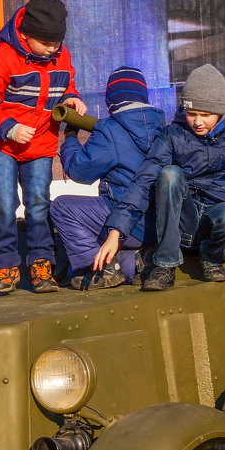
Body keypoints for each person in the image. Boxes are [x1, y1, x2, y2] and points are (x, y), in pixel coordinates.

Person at [104, 63, 225, 291]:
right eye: (191, 113)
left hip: (216, 210)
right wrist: (116, 231)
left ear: (221, 112)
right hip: (185, 216)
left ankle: (211, 256)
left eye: (205, 115)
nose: (198, 122)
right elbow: (143, 182)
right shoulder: (171, 135)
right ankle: (165, 265)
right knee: (169, 174)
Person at [0, 0, 87, 294]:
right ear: (26, 34)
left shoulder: (62, 54)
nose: (53, 49)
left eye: (57, 43)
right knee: (4, 204)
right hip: (2, 146)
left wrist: (71, 97)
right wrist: (9, 128)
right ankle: (6, 266)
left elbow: (66, 83)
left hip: (41, 145)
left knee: (38, 205)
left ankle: (41, 266)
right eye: (46, 43)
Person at [50, 67, 166, 289]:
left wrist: (71, 137)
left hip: (127, 222)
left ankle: (100, 269)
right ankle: (137, 261)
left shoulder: (111, 129)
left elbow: (79, 171)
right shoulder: (163, 125)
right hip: (159, 223)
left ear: (111, 100)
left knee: (62, 208)